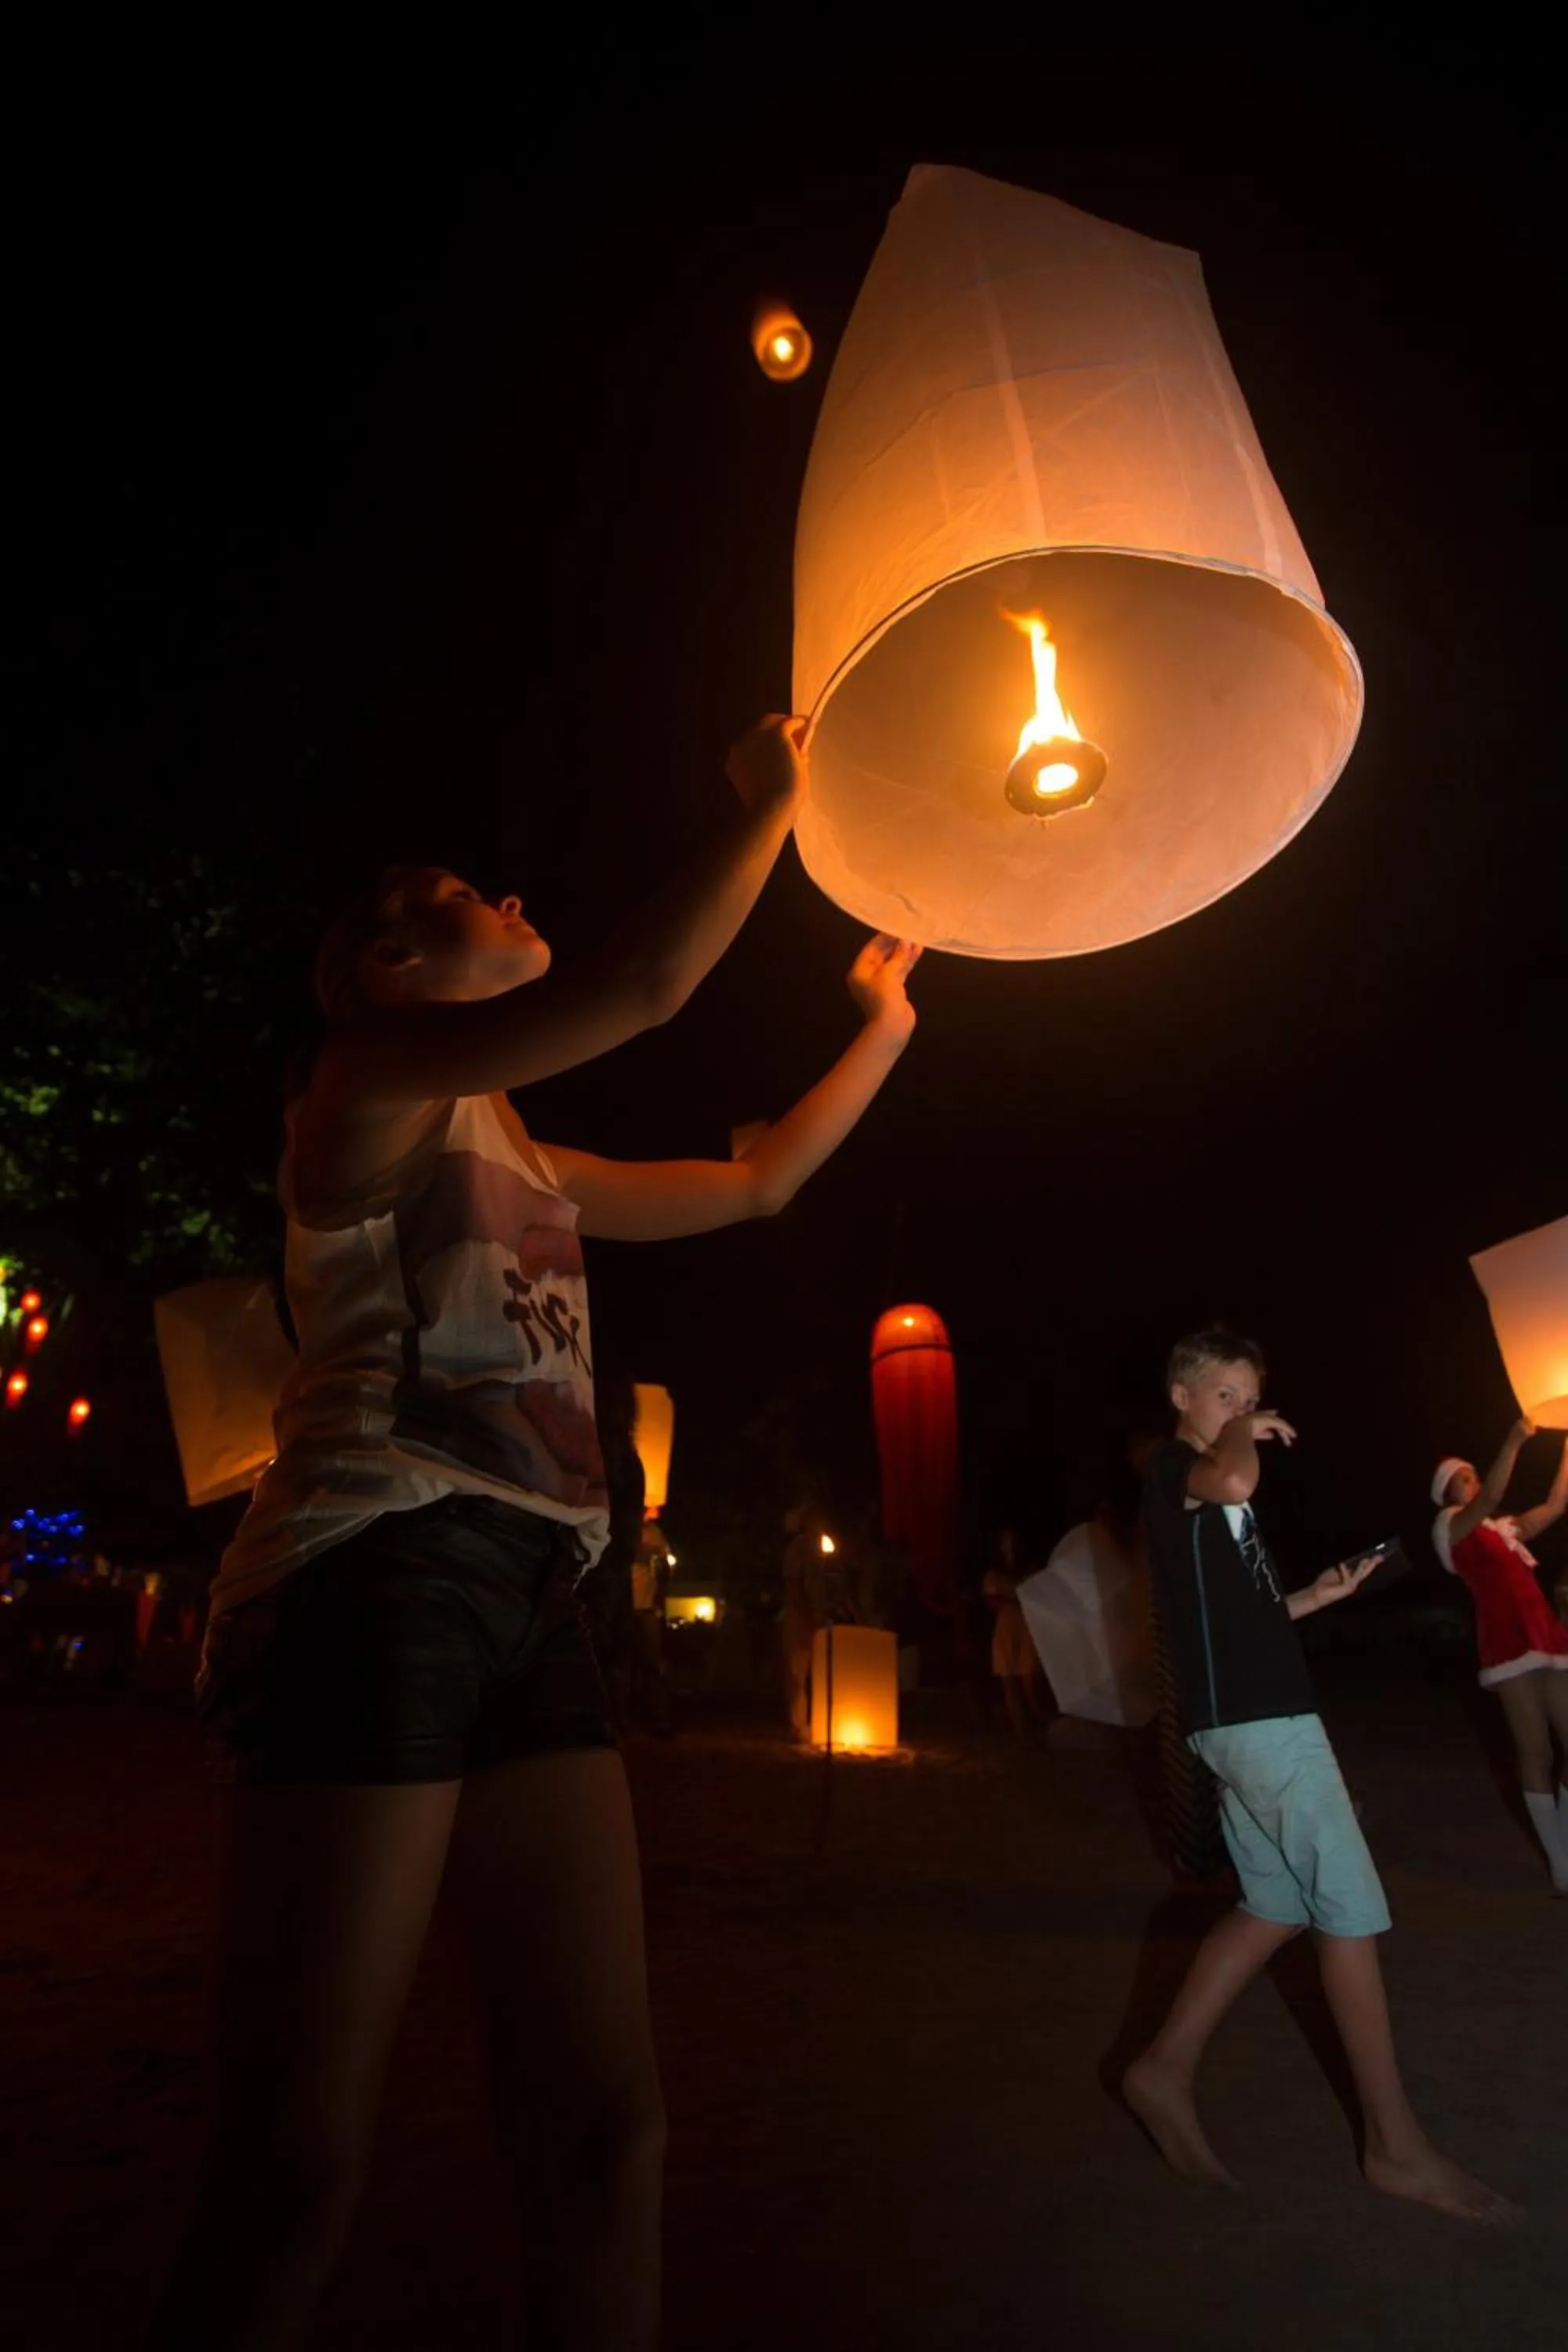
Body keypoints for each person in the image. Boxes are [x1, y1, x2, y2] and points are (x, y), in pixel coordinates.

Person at [151, 714, 922, 2352]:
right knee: (292, 2165)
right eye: (459, 895)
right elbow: (643, 988)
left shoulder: (531, 1156)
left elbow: (760, 1183)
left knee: (605, 2132)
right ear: (381, 970)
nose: (505, 892)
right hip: (370, 1578)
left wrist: (883, 1022)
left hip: (535, 1593)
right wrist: (770, 812)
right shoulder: (358, 1097)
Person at [1123, 1328, 1515, 2223]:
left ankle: (1162, 2066)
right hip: (1264, 1729)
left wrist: (1315, 1597)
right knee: (1347, 1909)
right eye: (1225, 1394)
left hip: (1252, 1716)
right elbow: (1229, 1478)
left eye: (1250, 1397)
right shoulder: (1175, 1470)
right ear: (1180, 1394)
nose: (1242, 1412)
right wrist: (1240, 1433)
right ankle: (1394, 2147)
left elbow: (1232, 1616)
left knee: (1277, 1906)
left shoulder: (1202, 1494)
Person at [1431, 1421, 1568, 1890]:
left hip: (1546, 1635)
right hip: (1507, 1640)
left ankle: (1566, 1841)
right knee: (1537, 1749)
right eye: (1464, 1475)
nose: (1473, 1479)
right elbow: (1487, 1498)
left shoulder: (1501, 1529)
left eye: (1473, 1472)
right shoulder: (1450, 1524)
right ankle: (1561, 1864)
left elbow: (1555, 1505)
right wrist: (1514, 1439)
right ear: (1446, 1490)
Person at [982, 1526, 1046, 1737]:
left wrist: (1012, 1597)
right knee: (1008, 1681)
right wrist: (1014, 1597)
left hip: (1027, 1626)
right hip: (1006, 1626)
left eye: (1011, 1541)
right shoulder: (994, 1574)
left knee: (1029, 1682)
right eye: (1004, 1541)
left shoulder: (1031, 1569)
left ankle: (1040, 1723)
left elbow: (1036, 1596)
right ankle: (1021, 1732)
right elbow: (993, 1603)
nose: (1007, 1546)